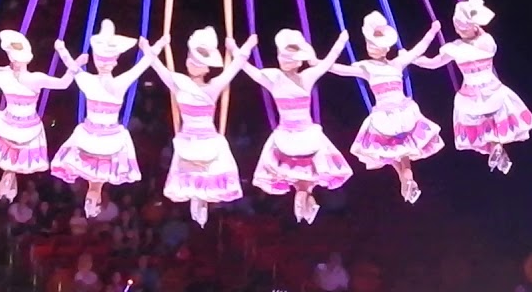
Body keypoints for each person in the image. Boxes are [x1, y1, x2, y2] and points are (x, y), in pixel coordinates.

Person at [50, 20, 169, 218]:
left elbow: (142, 65)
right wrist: (155, 46)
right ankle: (93, 200)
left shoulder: (97, 81)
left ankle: (91, 199)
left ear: (114, 61)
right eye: (101, 59)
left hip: (99, 136)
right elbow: (143, 64)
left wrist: (62, 50)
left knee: (94, 170)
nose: (104, 63)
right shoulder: (96, 81)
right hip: (98, 136)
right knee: (97, 171)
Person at [142, 28, 257, 226]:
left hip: (206, 138)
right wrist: (151, 47)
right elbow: (157, 66)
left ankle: (202, 199)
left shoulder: (213, 86)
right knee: (194, 170)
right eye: (191, 60)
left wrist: (243, 46)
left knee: (208, 168)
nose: (192, 64)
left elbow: (236, 66)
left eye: (198, 62)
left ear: (206, 68)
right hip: (189, 138)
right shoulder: (179, 83)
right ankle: (198, 199)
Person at [241, 29, 353, 223]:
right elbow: (248, 69)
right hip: (297, 134)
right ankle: (305, 200)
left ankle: (305, 200)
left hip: (296, 134)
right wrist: (341, 41)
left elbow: (328, 62)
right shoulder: (280, 77)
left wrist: (239, 50)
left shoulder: (292, 77)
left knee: (303, 177)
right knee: (305, 177)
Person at [413, 0, 532, 173]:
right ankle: (497, 147)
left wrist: (413, 59)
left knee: (480, 123)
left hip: (470, 96)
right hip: (492, 90)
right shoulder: (487, 42)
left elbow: (433, 63)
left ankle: (495, 148)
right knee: (493, 119)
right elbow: (481, 34)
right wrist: (477, 24)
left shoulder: (455, 48)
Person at [329, 12, 442, 203]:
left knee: (392, 153)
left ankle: (405, 179)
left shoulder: (368, 67)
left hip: (386, 117)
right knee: (402, 154)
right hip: (403, 113)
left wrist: (319, 63)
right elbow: (418, 49)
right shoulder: (394, 64)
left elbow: (339, 70)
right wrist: (432, 31)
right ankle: (406, 179)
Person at [0, 30, 82, 200]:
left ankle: (7, 184)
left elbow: (63, 84)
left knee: (10, 158)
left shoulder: (31, 78)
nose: (14, 61)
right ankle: (7, 185)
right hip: (12, 125)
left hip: (24, 128)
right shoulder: (6, 76)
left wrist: (71, 61)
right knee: (10, 159)